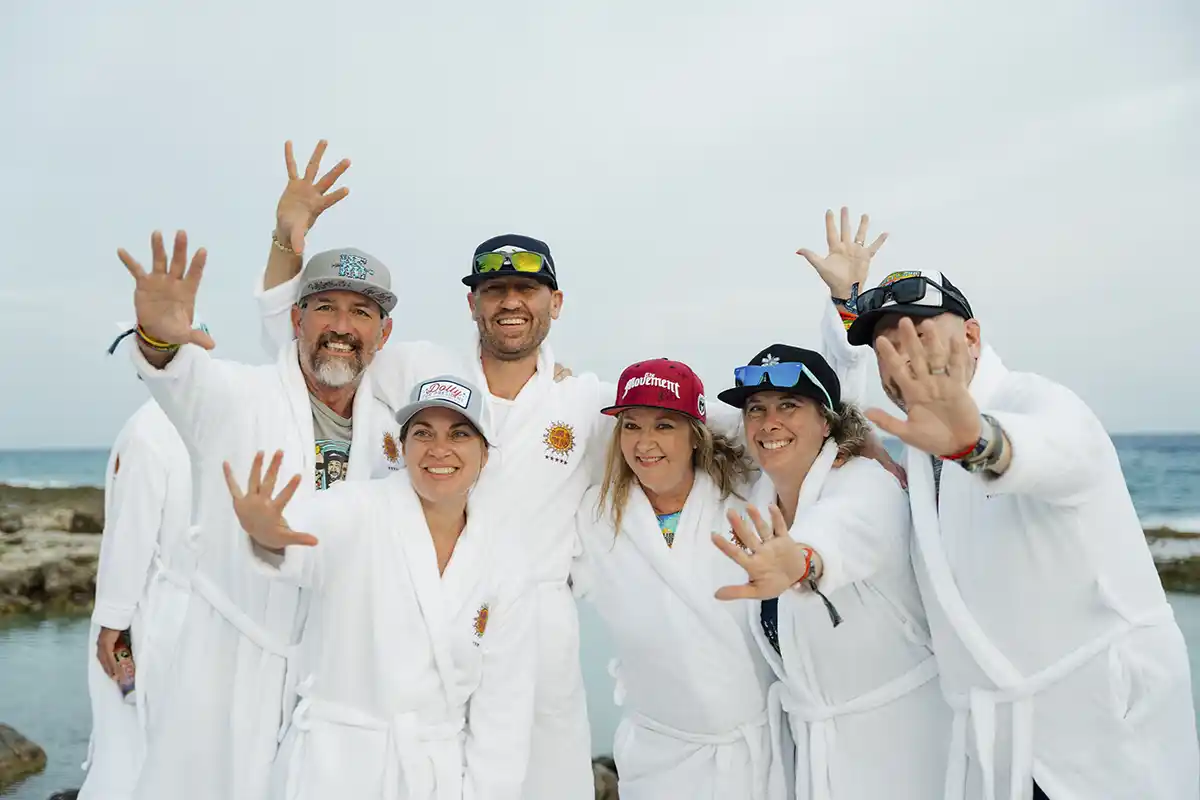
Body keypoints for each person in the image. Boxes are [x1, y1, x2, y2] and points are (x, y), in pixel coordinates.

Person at [255, 160, 901, 797]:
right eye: (495, 290)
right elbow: (313, 353)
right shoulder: (418, 371)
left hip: (539, 630)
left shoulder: (587, 405)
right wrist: (287, 240)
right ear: (472, 302)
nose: (511, 302)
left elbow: (737, 429)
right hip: (422, 607)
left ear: (554, 303)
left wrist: (851, 429)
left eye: (527, 291)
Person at [827, 268, 1200, 800]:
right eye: (886, 347)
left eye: (919, 334)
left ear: (972, 336)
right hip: (998, 750)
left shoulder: (1035, 402)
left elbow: (1058, 449)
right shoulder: (921, 451)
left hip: (1097, 730)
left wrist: (979, 442)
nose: (901, 357)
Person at [116, 224, 451, 800]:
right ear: (297, 320)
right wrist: (157, 338)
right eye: (326, 307)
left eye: (362, 313)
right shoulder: (237, 398)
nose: (343, 327)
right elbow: (179, 378)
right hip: (229, 665)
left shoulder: (396, 432)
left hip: (332, 680)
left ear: (384, 331)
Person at [223, 374, 536, 799]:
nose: (438, 449)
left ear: (484, 453)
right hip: (333, 767)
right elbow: (301, 542)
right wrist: (268, 535)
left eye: (458, 434)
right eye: (422, 433)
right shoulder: (355, 508)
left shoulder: (505, 559)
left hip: (433, 774)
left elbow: (504, 710)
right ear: (403, 448)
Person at [710, 343, 951, 800]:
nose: (768, 422)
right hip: (819, 754)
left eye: (788, 405)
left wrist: (802, 561)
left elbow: (839, 533)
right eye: (755, 410)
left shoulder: (868, 484)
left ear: (826, 421)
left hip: (909, 745)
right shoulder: (760, 494)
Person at [574, 358, 776, 799]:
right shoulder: (595, 517)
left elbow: (798, 432)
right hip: (657, 757)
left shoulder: (744, 498)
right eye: (631, 426)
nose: (645, 444)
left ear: (695, 434)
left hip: (755, 756)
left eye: (665, 425)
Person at [79, 394, 194, 800]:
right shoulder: (214, 419)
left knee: (130, 743)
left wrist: (113, 619)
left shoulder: (148, 430)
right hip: (199, 617)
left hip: (152, 613)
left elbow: (132, 534)